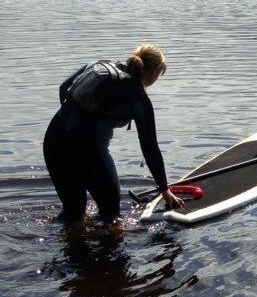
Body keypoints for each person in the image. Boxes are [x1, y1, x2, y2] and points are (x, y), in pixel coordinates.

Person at [43, 43, 183, 226]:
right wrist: (165, 190)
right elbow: (149, 147)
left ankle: (58, 243)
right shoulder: (138, 98)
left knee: (73, 212)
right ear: (155, 71)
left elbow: (63, 88)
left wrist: (78, 122)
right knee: (111, 214)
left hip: (54, 140)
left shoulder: (97, 65)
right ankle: (106, 249)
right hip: (88, 150)